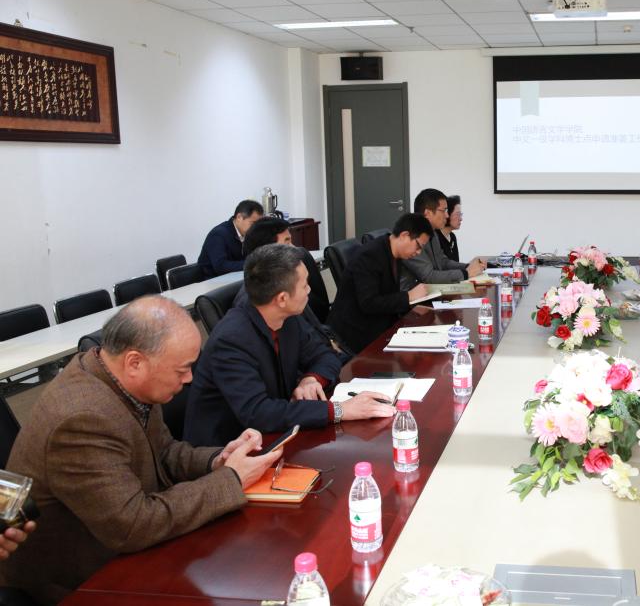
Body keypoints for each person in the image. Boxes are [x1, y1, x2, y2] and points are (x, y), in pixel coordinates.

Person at [0, 297, 281, 604]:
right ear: (135, 362)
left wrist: (219, 460)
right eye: (182, 369)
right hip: (79, 583)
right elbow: (133, 525)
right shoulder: (82, 418)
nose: (189, 379)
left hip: (124, 551)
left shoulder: (120, 378)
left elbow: (164, 452)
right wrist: (231, 479)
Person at [184, 244, 393, 447]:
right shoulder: (231, 340)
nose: (309, 290)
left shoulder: (286, 317)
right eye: (304, 285)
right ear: (282, 298)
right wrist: (339, 410)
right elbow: (259, 413)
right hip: (225, 451)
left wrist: (312, 379)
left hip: (276, 433)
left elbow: (326, 355)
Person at [329, 213, 434, 354]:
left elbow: (388, 295)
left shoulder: (393, 253)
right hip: (355, 336)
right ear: (404, 235)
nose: (419, 252)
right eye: (418, 246)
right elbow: (369, 303)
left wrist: (414, 307)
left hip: (377, 325)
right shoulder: (370, 256)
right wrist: (408, 297)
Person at [243, 216, 330, 323]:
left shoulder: (287, 282)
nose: (294, 248)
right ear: (267, 250)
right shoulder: (259, 303)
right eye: (287, 243)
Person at [400, 188, 485, 289]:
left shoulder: (432, 232)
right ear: (427, 213)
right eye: (444, 211)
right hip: (412, 296)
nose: (447, 215)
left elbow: (443, 262)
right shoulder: (411, 237)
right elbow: (429, 277)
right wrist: (466, 273)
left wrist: (467, 267)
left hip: (430, 291)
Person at [197, 200, 264, 277]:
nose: (256, 227)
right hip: (211, 280)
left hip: (235, 277)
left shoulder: (247, 233)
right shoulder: (218, 234)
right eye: (253, 223)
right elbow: (221, 266)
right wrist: (253, 264)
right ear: (239, 217)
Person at [437, 194, 461, 262]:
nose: (461, 219)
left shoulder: (452, 237)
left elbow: (456, 264)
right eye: (457, 214)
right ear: (447, 214)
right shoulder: (435, 237)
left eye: (460, 214)